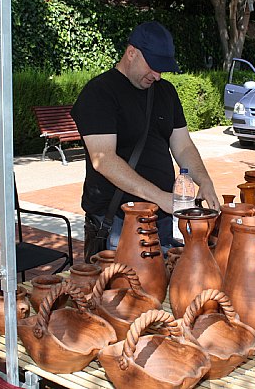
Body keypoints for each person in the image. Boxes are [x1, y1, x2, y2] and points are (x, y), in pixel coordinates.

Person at [71, 21, 220, 252]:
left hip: (161, 217)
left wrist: (205, 180)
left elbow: (183, 146)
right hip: (118, 221)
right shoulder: (99, 93)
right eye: (153, 66)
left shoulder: (166, 92)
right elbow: (104, 160)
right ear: (131, 53)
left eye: (162, 69)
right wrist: (160, 197)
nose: (157, 76)